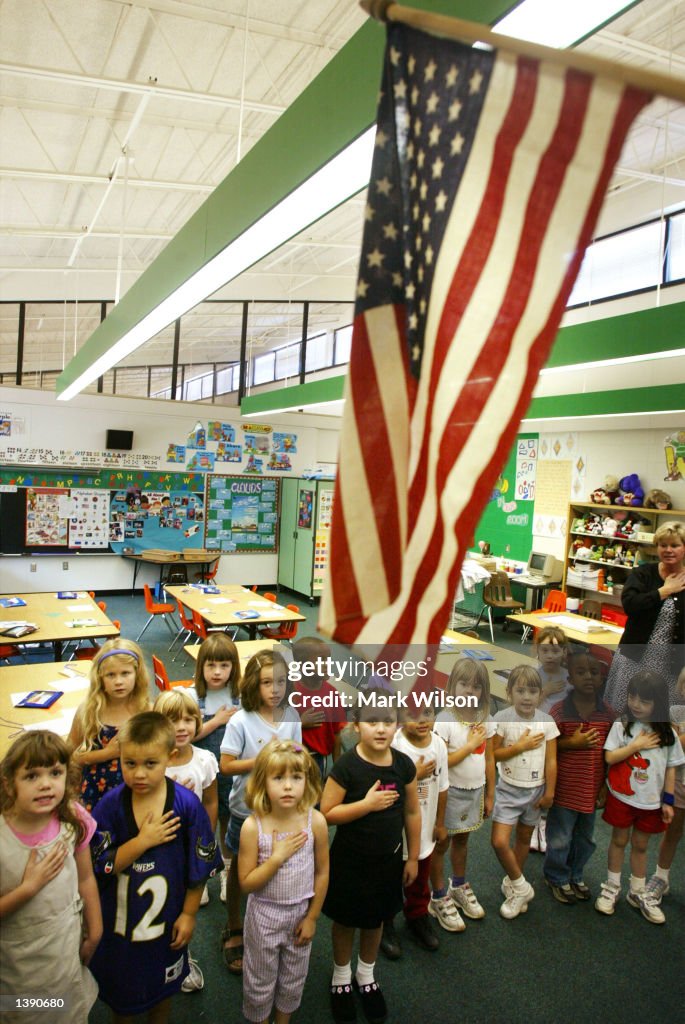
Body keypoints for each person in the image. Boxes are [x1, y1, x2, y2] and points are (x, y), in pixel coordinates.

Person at [89, 711, 222, 1023]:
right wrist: (142, 841)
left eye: (150, 764)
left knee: (163, 998)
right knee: (122, 1006)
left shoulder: (186, 805)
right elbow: (100, 868)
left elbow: (199, 867)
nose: (138, 774)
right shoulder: (110, 805)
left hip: (166, 929)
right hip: (120, 931)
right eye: (129, 763)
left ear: (170, 757)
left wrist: (189, 913)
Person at [321, 687, 420, 1024]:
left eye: (388, 721)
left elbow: (412, 813)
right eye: (373, 721)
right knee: (346, 920)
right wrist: (365, 806)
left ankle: (366, 973)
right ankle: (340, 975)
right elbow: (327, 813)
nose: (381, 728)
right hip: (349, 861)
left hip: (388, 861)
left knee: (377, 918)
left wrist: (413, 857)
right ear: (356, 724)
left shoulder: (404, 765)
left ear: (398, 725)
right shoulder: (347, 767)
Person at [0, 731, 102, 1024]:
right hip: (16, 960)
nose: (45, 784)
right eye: (31, 776)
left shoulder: (73, 818)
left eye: (55, 773)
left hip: (62, 947)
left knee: (64, 1008)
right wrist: (28, 888)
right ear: (9, 784)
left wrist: (95, 929)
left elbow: (85, 879)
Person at [220, 650, 302, 975]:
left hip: (281, 812)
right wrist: (263, 759)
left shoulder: (292, 716)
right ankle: (234, 925)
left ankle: (270, 925)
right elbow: (226, 766)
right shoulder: (240, 720)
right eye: (267, 682)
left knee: (277, 868)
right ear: (254, 684)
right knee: (242, 873)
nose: (275, 689)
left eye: (280, 682)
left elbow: (298, 756)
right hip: (246, 812)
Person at [238, 739, 329, 1024]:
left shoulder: (315, 821)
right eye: (278, 778)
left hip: (301, 913)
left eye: (296, 777)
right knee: (259, 979)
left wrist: (313, 916)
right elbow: (246, 883)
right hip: (264, 915)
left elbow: (323, 872)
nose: (288, 786)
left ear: (307, 780)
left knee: (293, 977)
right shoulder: (253, 826)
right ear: (263, 782)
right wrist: (276, 858)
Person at [596, 670, 685, 923]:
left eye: (644, 701)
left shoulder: (667, 731)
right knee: (619, 840)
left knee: (641, 844)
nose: (636, 704)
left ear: (658, 703)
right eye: (632, 697)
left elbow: (671, 767)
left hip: (651, 802)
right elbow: (610, 757)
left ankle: (637, 890)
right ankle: (612, 885)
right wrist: (634, 746)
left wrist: (668, 801)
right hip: (622, 798)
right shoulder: (623, 725)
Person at [154, 688, 219, 993]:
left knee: (184, 906)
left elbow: (211, 802)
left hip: (188, 846)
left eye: (187, 720)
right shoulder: (153, 762)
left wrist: (207, 838)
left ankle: (183, 957)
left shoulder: (205, 759)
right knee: (158, 904)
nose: (181, 727)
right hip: (156, 846)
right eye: (171, 720)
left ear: (197, 722)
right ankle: (154, 958)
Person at [543, 651, 615, 903]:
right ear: (570, 677)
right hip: (565, 789)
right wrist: (571, 743)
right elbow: (547, 747)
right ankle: (556, 876)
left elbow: (610, 753)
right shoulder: (560, 711)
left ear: (602, 677)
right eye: (581, 672)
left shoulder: (607, 714)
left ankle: (575, 874)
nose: (588, 677)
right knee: (560, 837)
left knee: (586, 839)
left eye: (594, 673)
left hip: (591, 791)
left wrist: (605, 786)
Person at [429, 659, 495, 932]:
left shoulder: (485, 719)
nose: (469, 691)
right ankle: (438, 894)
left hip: (474, 791)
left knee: (463, 840)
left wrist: (490, 793)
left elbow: (489, 759)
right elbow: (441, 763)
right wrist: (470, 746)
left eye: (476, 686)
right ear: (452, 686)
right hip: (449, 793)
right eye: (464, 684)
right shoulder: (445, 720)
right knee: (441, 842)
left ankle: (458, 884)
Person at [381, 697, 447, 958]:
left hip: (425, 825)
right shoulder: (394, 745)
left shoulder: (439, 744)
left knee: (420, 876)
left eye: (428, 712)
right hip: (395, 830)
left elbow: (442, 786)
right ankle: (385, 921)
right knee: (389, 878)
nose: (422, 719)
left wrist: (440, 823)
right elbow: (384, 787)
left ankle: (417, 915)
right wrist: (412, 776)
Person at [491, 665, 559, 919]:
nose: (527, 697)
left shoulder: (547, 722)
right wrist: (518, 747)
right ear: (509, 693)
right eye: (520, 691)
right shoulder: (502, 720)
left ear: (540, 694)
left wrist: (550, 792)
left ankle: (514, 886)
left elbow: (551, 761)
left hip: (535, 793)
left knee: (523, 838)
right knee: (498, 841)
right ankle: (522, 885)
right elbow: (494, 755)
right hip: (508, 790)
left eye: (533, 691)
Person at [604, 521, 685, 714]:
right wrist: (663, 591)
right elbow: (630, 605)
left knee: (662, 715)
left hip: (671, 665)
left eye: (674, 545)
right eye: (663, 545)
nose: (668, 550)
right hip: (635, 659)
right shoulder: (643, 574)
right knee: (625, 710)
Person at [187, 632, 242, 902]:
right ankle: (202, 876)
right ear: (201, 667)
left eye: (224, 665)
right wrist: (216, 721)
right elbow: (185, 735)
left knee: (227, 823)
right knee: (201, 825)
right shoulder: (193, 696)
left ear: (234, 667)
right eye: (211, 665)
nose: (217, 672)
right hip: (201, 776)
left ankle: (226, 871)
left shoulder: (240, 697)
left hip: (230, 774)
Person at [68, 639, 151, 811]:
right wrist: (106, 754)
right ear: (100, 677)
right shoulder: (89, 712)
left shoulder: (148, 711)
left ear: (137, 674)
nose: (118, 681)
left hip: (138, 794)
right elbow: (70, 756)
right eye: (111, 675)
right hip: (94, 793)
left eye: (125, 673)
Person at [646, 665, 685, 904]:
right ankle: (662, 876)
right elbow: (671, 748)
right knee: (672, 832)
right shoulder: (675, 713)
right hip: (679, 783)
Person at [290, 636, 346, 781]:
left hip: (319, 759)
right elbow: (275, 730)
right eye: (321, 660)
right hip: (292, 757)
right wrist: (299, 723)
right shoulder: (290, 693)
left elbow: (337, 733)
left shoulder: (332, 693)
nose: (327, 664)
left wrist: (338, 768)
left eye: (328, 659)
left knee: (315, 799)